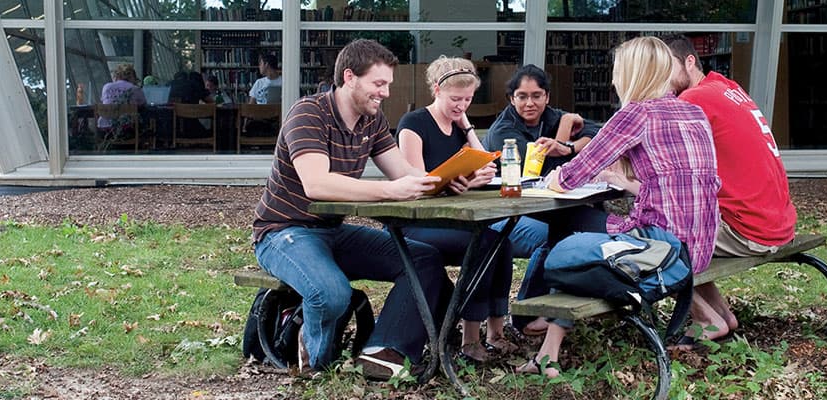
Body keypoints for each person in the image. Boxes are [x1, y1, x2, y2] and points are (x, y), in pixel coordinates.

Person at [518, 37, 720, 378]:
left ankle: (530, 320)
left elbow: (571, 176)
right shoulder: (693, 110)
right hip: (700, 244)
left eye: (617, 71)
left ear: (631, 74)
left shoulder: (636, 113)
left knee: (570, 227)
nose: (613, 79)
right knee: (579, 230)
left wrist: (549, 179)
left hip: (660, 249)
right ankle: (546, 350)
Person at [251, 39, 450, 380]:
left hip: (332, 231)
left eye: (387, 84)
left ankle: (384, 352)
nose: (385, 93)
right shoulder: (308, 113)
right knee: (331, 294)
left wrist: (451, 179)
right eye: (378, 83)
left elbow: (405, 174)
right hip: (282, 232)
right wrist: (389, 191)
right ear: (349, 77)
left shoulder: (370, 120)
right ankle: (316, 363)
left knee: (425, 260)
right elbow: (318, 185)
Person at [661, 35, 797, 347]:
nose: (661, 79)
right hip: (777, 221)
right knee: (684, 226)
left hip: (750, 228)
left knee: (657, 240)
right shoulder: (726, 87)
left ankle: (706, 320)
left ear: (690, 61)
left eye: (666, 68)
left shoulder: (693, 100)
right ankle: (721, 313)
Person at [394, 56, 515, 363]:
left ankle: (496, 332)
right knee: (485, 243)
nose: (461, 105)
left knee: (502, 243)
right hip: (416, 221)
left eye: (468, 99)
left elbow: (488, 162)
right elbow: (415, 184)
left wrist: (468, 126)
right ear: (436, 90)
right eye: (455, 99)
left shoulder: (460, 125)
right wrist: (465, 184)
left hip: (451, 218)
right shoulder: (414, 124)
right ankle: (470, 338)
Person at [484, 64, 603, 336]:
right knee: (552, 236)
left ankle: (553, 308)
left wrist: (570, 145)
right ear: (511, 99)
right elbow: (536, 166)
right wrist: (565, 131)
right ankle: (528, 312)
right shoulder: (503, 130)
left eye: (536, 95)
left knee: (580, 229)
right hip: (510, 210)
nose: (530, 103)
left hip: (550, 206)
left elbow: (598, 135)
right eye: (522, 96)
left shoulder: (552, 116)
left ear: (547, 97)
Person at [98, 63, 146, 130]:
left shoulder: (106, 87)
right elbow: (143, 104)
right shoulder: (135, 89)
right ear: (132, 77)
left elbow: (104, 103)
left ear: (116, 76)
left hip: (105, 129)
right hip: (127, 129)